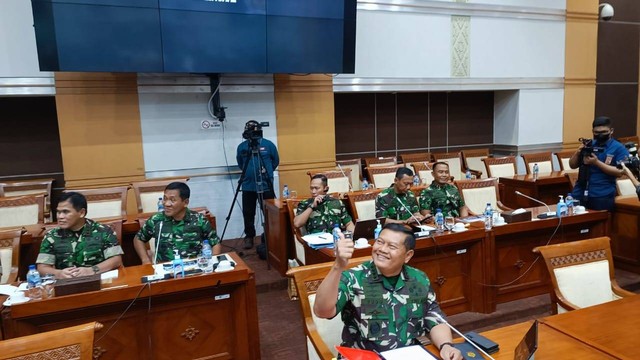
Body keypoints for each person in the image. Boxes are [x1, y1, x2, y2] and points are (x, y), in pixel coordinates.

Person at [313, 223, 463, 359]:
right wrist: (338, 265)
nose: (382, 249)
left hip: (407, 355)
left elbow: (434, 317)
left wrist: (446, 345)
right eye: (380, 242)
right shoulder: (353, 278)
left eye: (392, 246)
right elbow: (323, 311)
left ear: (408, 255)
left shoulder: (418, 279)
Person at [36, 192, 123, 279]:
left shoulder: (103, 231)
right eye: (58, 212)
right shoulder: (51, 236)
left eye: (66, 212)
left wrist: (91, 270)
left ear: (81, 213)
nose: (60, 216)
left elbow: (116, 260)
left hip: (98, 279)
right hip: (66, 283)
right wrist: (59, 274)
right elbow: (42, 268)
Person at [134, 182, 221, 264]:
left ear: (185, 202)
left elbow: (215, 242)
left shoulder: (199, 220)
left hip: (194, 268)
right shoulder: (157, 220)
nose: (167, 204)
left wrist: (213, 262)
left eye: (172, 200)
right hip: (164, 270)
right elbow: (138, 239)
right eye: (165, 199)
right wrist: (145, 260)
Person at [569, 116, 629, 211]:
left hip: (602, 194)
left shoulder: (619, 148)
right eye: (597, 132)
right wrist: (578, 152)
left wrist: (596, 162)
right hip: (579, 192)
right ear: (593, 131)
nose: (600, 135)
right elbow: (572, 165)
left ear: (611, 130)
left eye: (604, 132)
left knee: (600, 225)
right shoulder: (588, 144)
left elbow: (620, 172)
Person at [236, 120, 280, 249]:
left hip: (266, 185)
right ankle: (249, 236)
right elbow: (240, 163)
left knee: (270, 211)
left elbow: (275, 161)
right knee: (248, 212)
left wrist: (267, 171)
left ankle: (269, 235)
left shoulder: (268, 145)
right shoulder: (242, 147)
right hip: (248, 186)